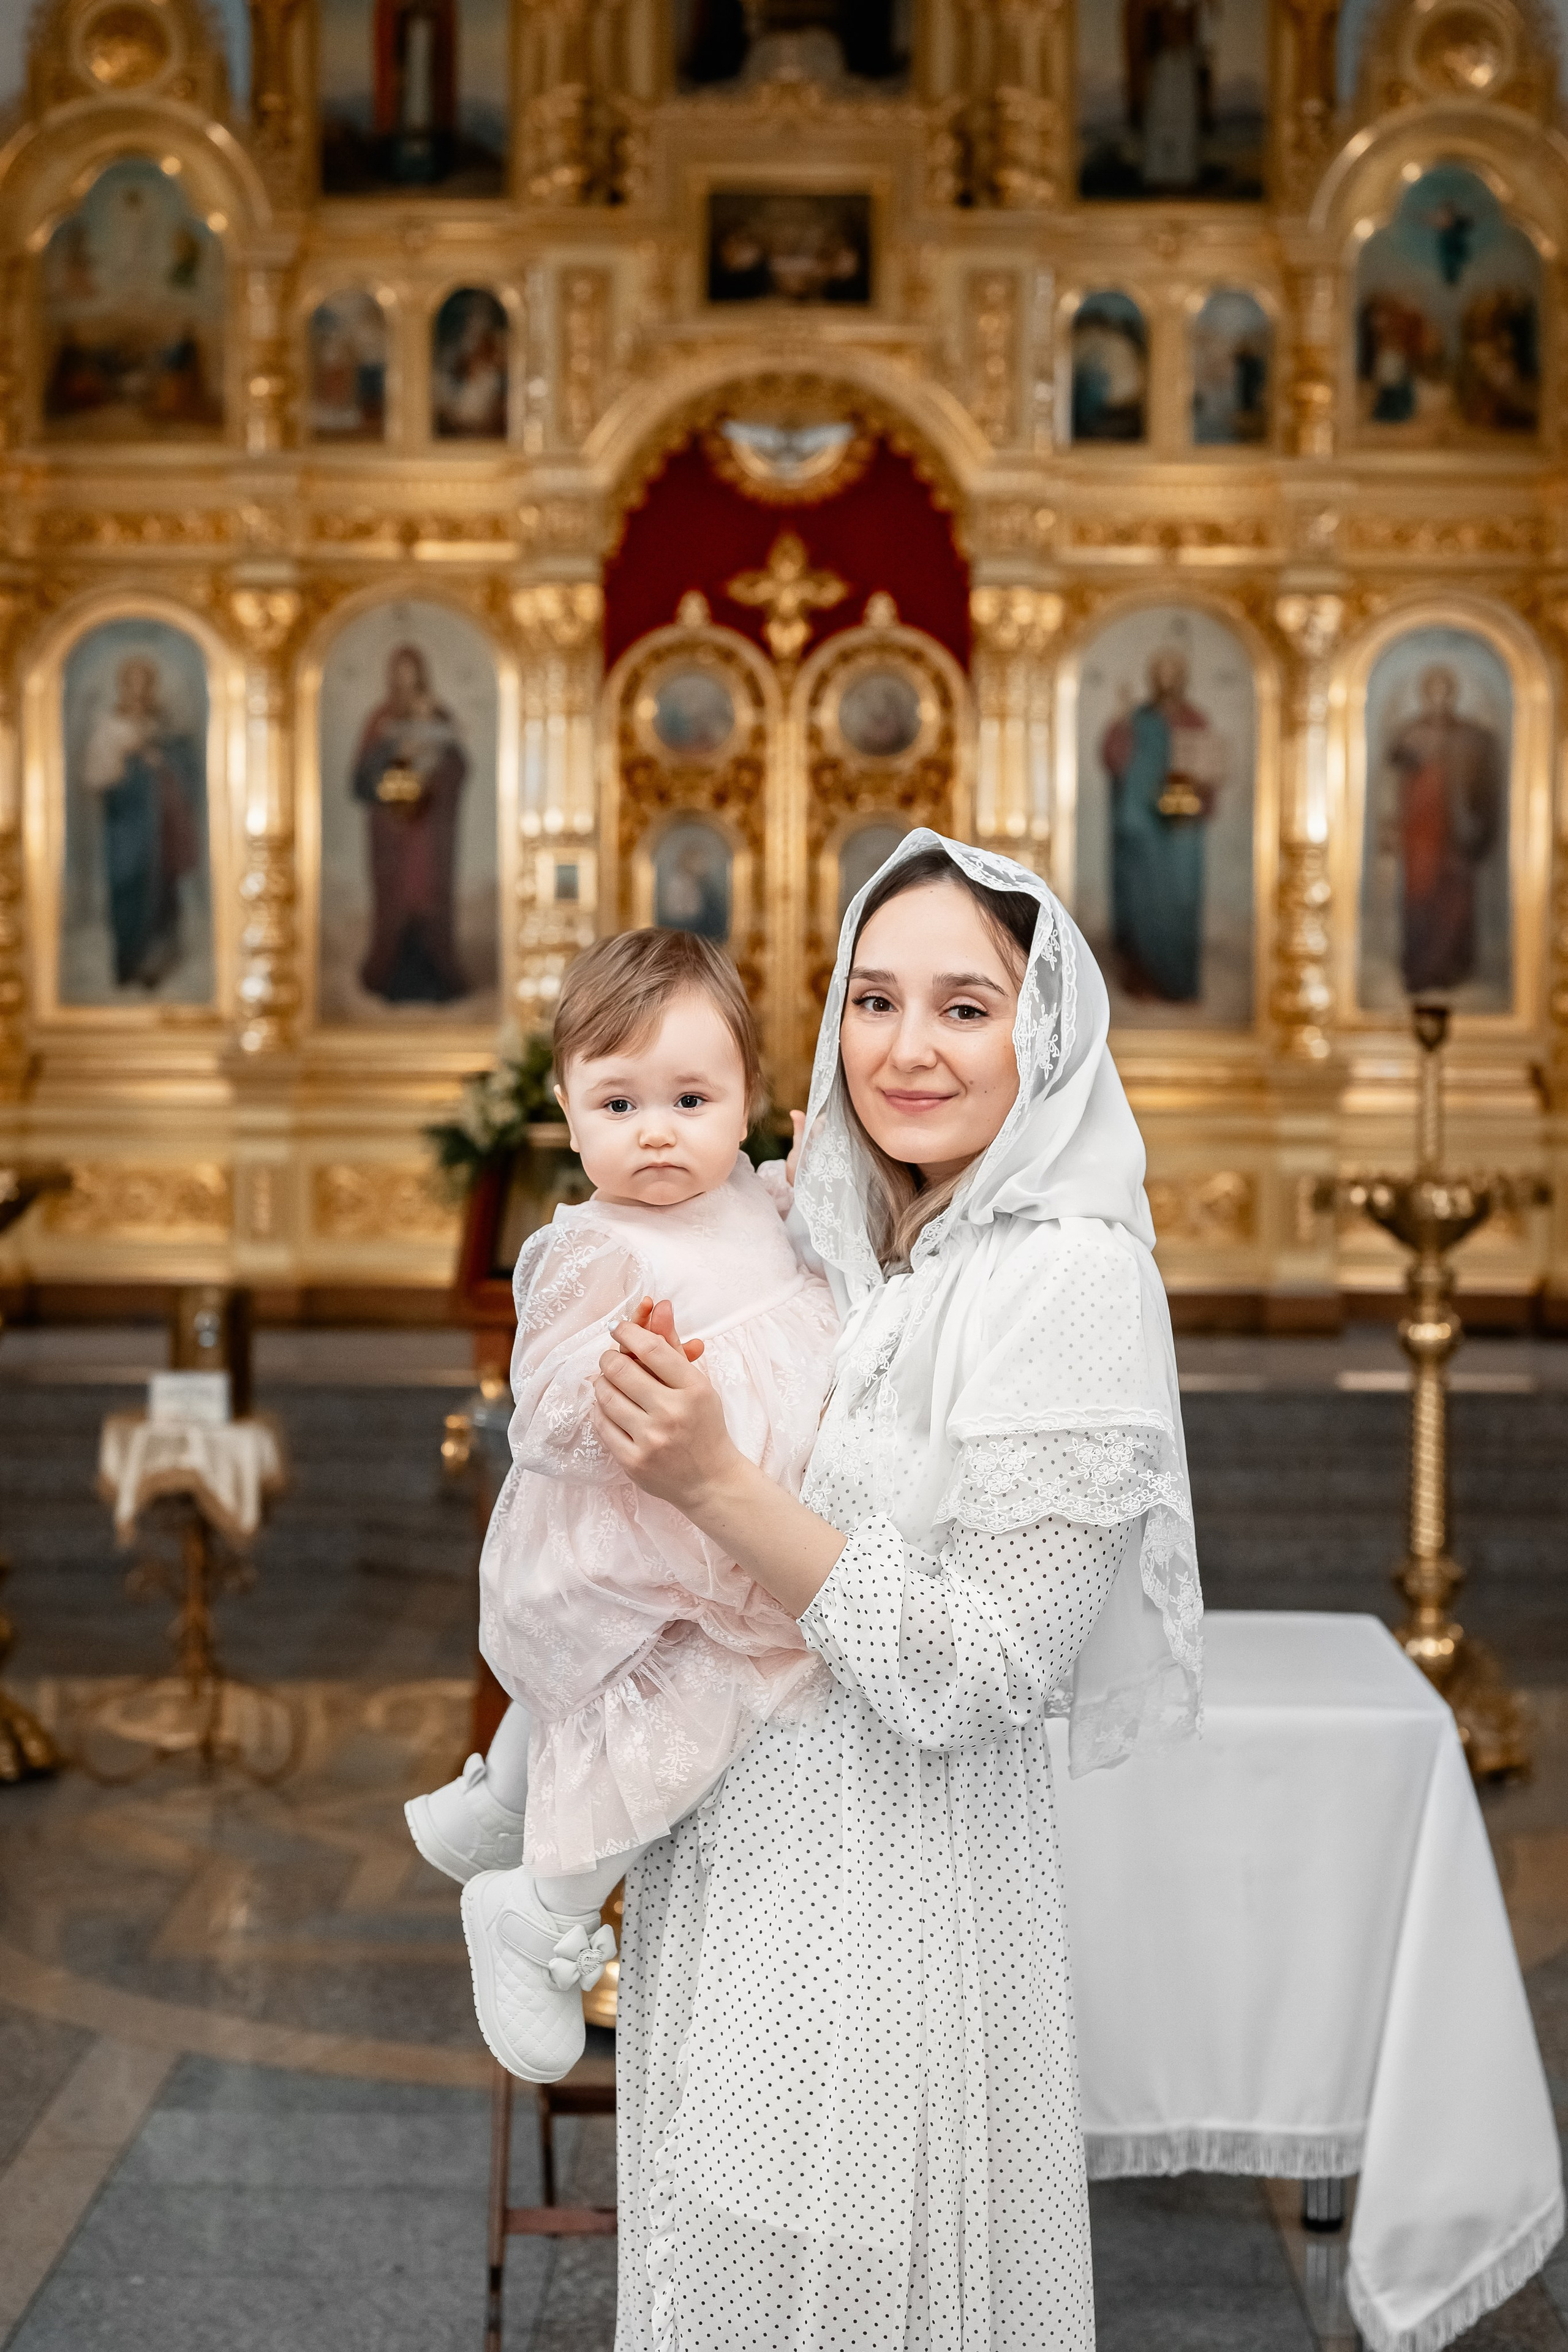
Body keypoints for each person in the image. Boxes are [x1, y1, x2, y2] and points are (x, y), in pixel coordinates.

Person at [588, 832, 1202, 2348]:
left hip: (890, 1902)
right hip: (733, 1871)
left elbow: (984, 1667)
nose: (904, 1049)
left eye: (963, 1006)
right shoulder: (847, 1240)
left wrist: (713, 1480)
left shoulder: (1066, 1276)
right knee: (715, 2282)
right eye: (871, 1000)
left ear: (1041, 1031)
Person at [404, 927, 839, 2081]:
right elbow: (538, 1409)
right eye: (618, 1102)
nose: (656, 1131)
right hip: (635, 1532)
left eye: (691, 1098)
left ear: (748, 1096)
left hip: (718, 1532)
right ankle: (541, 1908)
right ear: (565, 1105)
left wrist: (815, 1185)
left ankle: (496, 1802)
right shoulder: (592, 1248)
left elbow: (798, 1268)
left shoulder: (752, 1198)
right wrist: (607, 1376)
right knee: (663, 1717)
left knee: (600, 1692)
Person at [1100, 646, 1223, 1001]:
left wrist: (1198, 793)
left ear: (1181, 678)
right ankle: (1143, 980)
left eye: (1174, 672)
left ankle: (1177, 982)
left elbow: (1208, 767)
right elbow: (1114, 759)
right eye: (1161, 672)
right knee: (1141, 898)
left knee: (1180, 899)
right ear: (1154, 678)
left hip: (1180, 827)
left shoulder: (1194, 720)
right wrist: (1121, 724)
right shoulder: (1137, 718)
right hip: (1142, 825)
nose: (1167, 679)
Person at [351, 643, 470, 1002]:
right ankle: (389, 975)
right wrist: (398, 755)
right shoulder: (380, 720)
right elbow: (361, 780)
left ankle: (438, 974)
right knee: (397, 900)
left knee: (428, 896)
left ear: (421, 673)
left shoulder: (439, 716)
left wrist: (433, 764)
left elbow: (458, 765)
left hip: (429, 833)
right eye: (399, 670)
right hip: (393, 833)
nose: (406, 678)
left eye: (411, 670)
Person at [81, 655, 202, 990]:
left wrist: (163, 760)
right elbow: (95, 776)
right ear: (123, 685)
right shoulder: (110, 722)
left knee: (162, 888)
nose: (137, 688)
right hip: (126, 822)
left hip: (162, 824)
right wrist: (126, 756)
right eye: (131, 681)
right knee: (127, 885)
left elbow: (181, 767)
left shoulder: (162, 723)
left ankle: (157, 964)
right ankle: (128, 962)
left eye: (143, 681)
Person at [1384, 662, 1503, 995]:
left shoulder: (1469, 735)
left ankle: (1452, 967)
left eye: (1444, 691)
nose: (1437, 699)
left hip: (1455, 830)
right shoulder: (1412, 731)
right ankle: (1420, 968)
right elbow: (1395, 763)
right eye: (1431, 692)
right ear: (1425, 695)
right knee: (1420, 899)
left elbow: (1482, 782)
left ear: (1452, 695)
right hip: (1420, 833)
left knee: (1455, 898)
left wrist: (1475, 827)